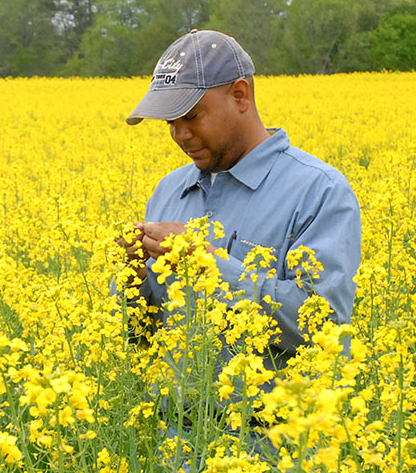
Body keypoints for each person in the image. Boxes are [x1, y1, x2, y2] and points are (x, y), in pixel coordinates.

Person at [118, 29, 361, 463]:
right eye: (169, 122)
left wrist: (209, 266)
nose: (179, 134)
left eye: (191, 115)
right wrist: (131, 282)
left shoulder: (318, 191)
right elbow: (143, 337)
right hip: (176, 444)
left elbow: (323, 328)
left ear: (240, 95)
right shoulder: (169, 191)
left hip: (273, 448)